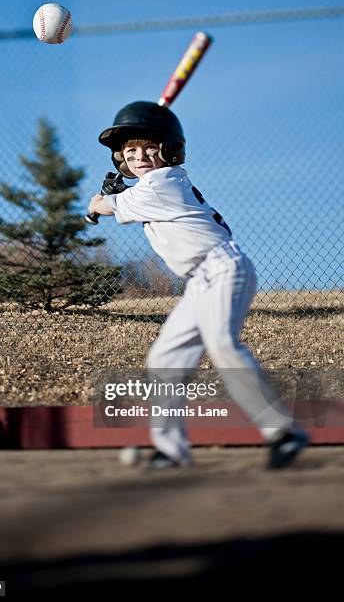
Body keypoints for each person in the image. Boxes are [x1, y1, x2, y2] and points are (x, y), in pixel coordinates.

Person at [88, 101, 309, 470]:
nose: (140, 156)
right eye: (130, 151)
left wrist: (98, 202)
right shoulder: (151, 187)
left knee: (222, 344)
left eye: (149, 148)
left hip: (223, 269)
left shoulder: (161, 185)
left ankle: (283, 431)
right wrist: (116, 195)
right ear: (121, 159)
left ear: (171, 150)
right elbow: (125, 200)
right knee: (166, 357)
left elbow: (108, 207)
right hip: (201, 281)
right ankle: (170, 448)